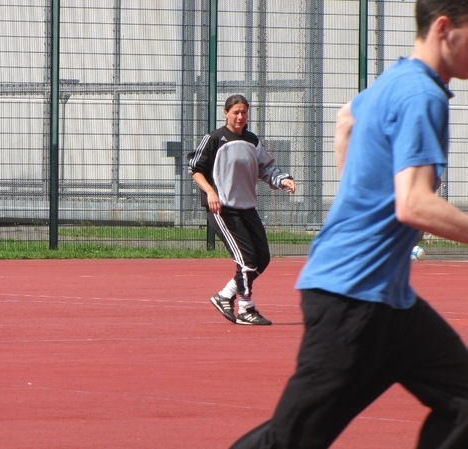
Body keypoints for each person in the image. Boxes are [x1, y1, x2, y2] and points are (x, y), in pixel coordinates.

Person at [231, 0, 468, 447]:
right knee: (292, 439)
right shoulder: (424, 95)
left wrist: (357, 199)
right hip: (352, 297)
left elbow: (346, 119)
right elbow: (414, 205)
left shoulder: (394, 80)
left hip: (390, 302)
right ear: (444, 28)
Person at [188, 94, 296, 326]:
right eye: (235, 112)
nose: (239, 116)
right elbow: (195, 169)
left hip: (247, 207)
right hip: (223, 210)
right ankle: (246, 308)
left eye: (243, 112)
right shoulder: (214, 139)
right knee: (247, 260)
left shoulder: (252, 141)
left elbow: (266, 168)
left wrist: (282, 180)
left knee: (262, 258)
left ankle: (225, 295)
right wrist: (210, 192)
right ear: (226, 113)